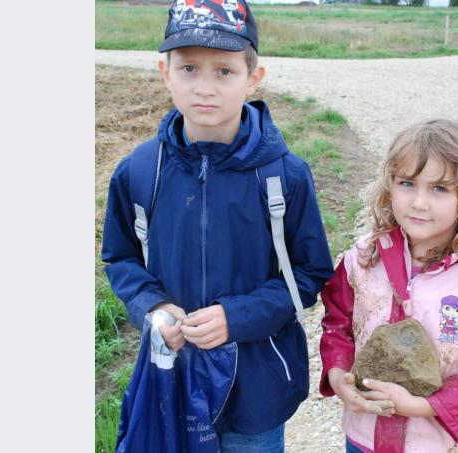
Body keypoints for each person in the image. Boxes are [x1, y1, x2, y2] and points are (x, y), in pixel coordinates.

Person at [101, 0, 333, 451]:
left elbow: (308, 274)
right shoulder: (139, 172)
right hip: (176, 377)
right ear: (165, 71)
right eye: (189, 67)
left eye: (224, 71)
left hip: (257, 389)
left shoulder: (284, 176)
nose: (204, 87)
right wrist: (154, 307)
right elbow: (121, 256)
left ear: (253, 78)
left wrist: (238, 317)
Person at [319, 119, 458, 453]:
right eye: (407, 183)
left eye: (439, 188)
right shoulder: (361, 260)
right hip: (363, 438)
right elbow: (337, 323)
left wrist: (418, 406)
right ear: (389, 185)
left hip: (439, 444)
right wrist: (337, 375)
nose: (419, 202)